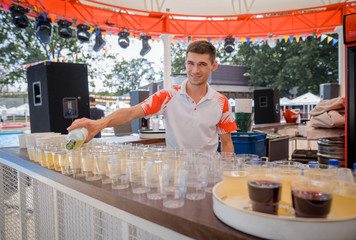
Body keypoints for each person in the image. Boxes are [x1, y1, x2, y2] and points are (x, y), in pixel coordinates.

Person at [68, 40, 237, 153]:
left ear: (213, 66)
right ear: (185, 63)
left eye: (202, 64)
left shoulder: (221, 102)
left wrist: (227, 175)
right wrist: (99, 124)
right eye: (191, 63)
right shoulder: (167, 96)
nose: (195, 71)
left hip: (207, 176)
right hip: (175, 174)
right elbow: (131, 112)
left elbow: (227, 143)